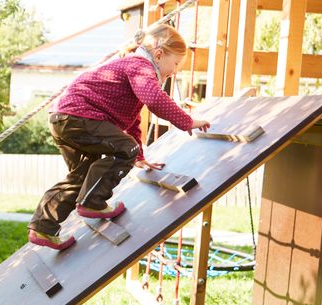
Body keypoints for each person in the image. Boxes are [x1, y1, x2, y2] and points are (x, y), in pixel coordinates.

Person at [28, 24, 210, 250]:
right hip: (79, 116)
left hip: (62, 119)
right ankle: (92, 202)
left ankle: (43, 227)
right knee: (125, 150)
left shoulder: (131, 69)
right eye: (175, 64)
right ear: (159, 54)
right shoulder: (140, 65)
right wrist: (187, 121)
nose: (174, 72)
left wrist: (139, 155)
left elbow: (132, 121)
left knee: (83, 174)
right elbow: (154, 99)